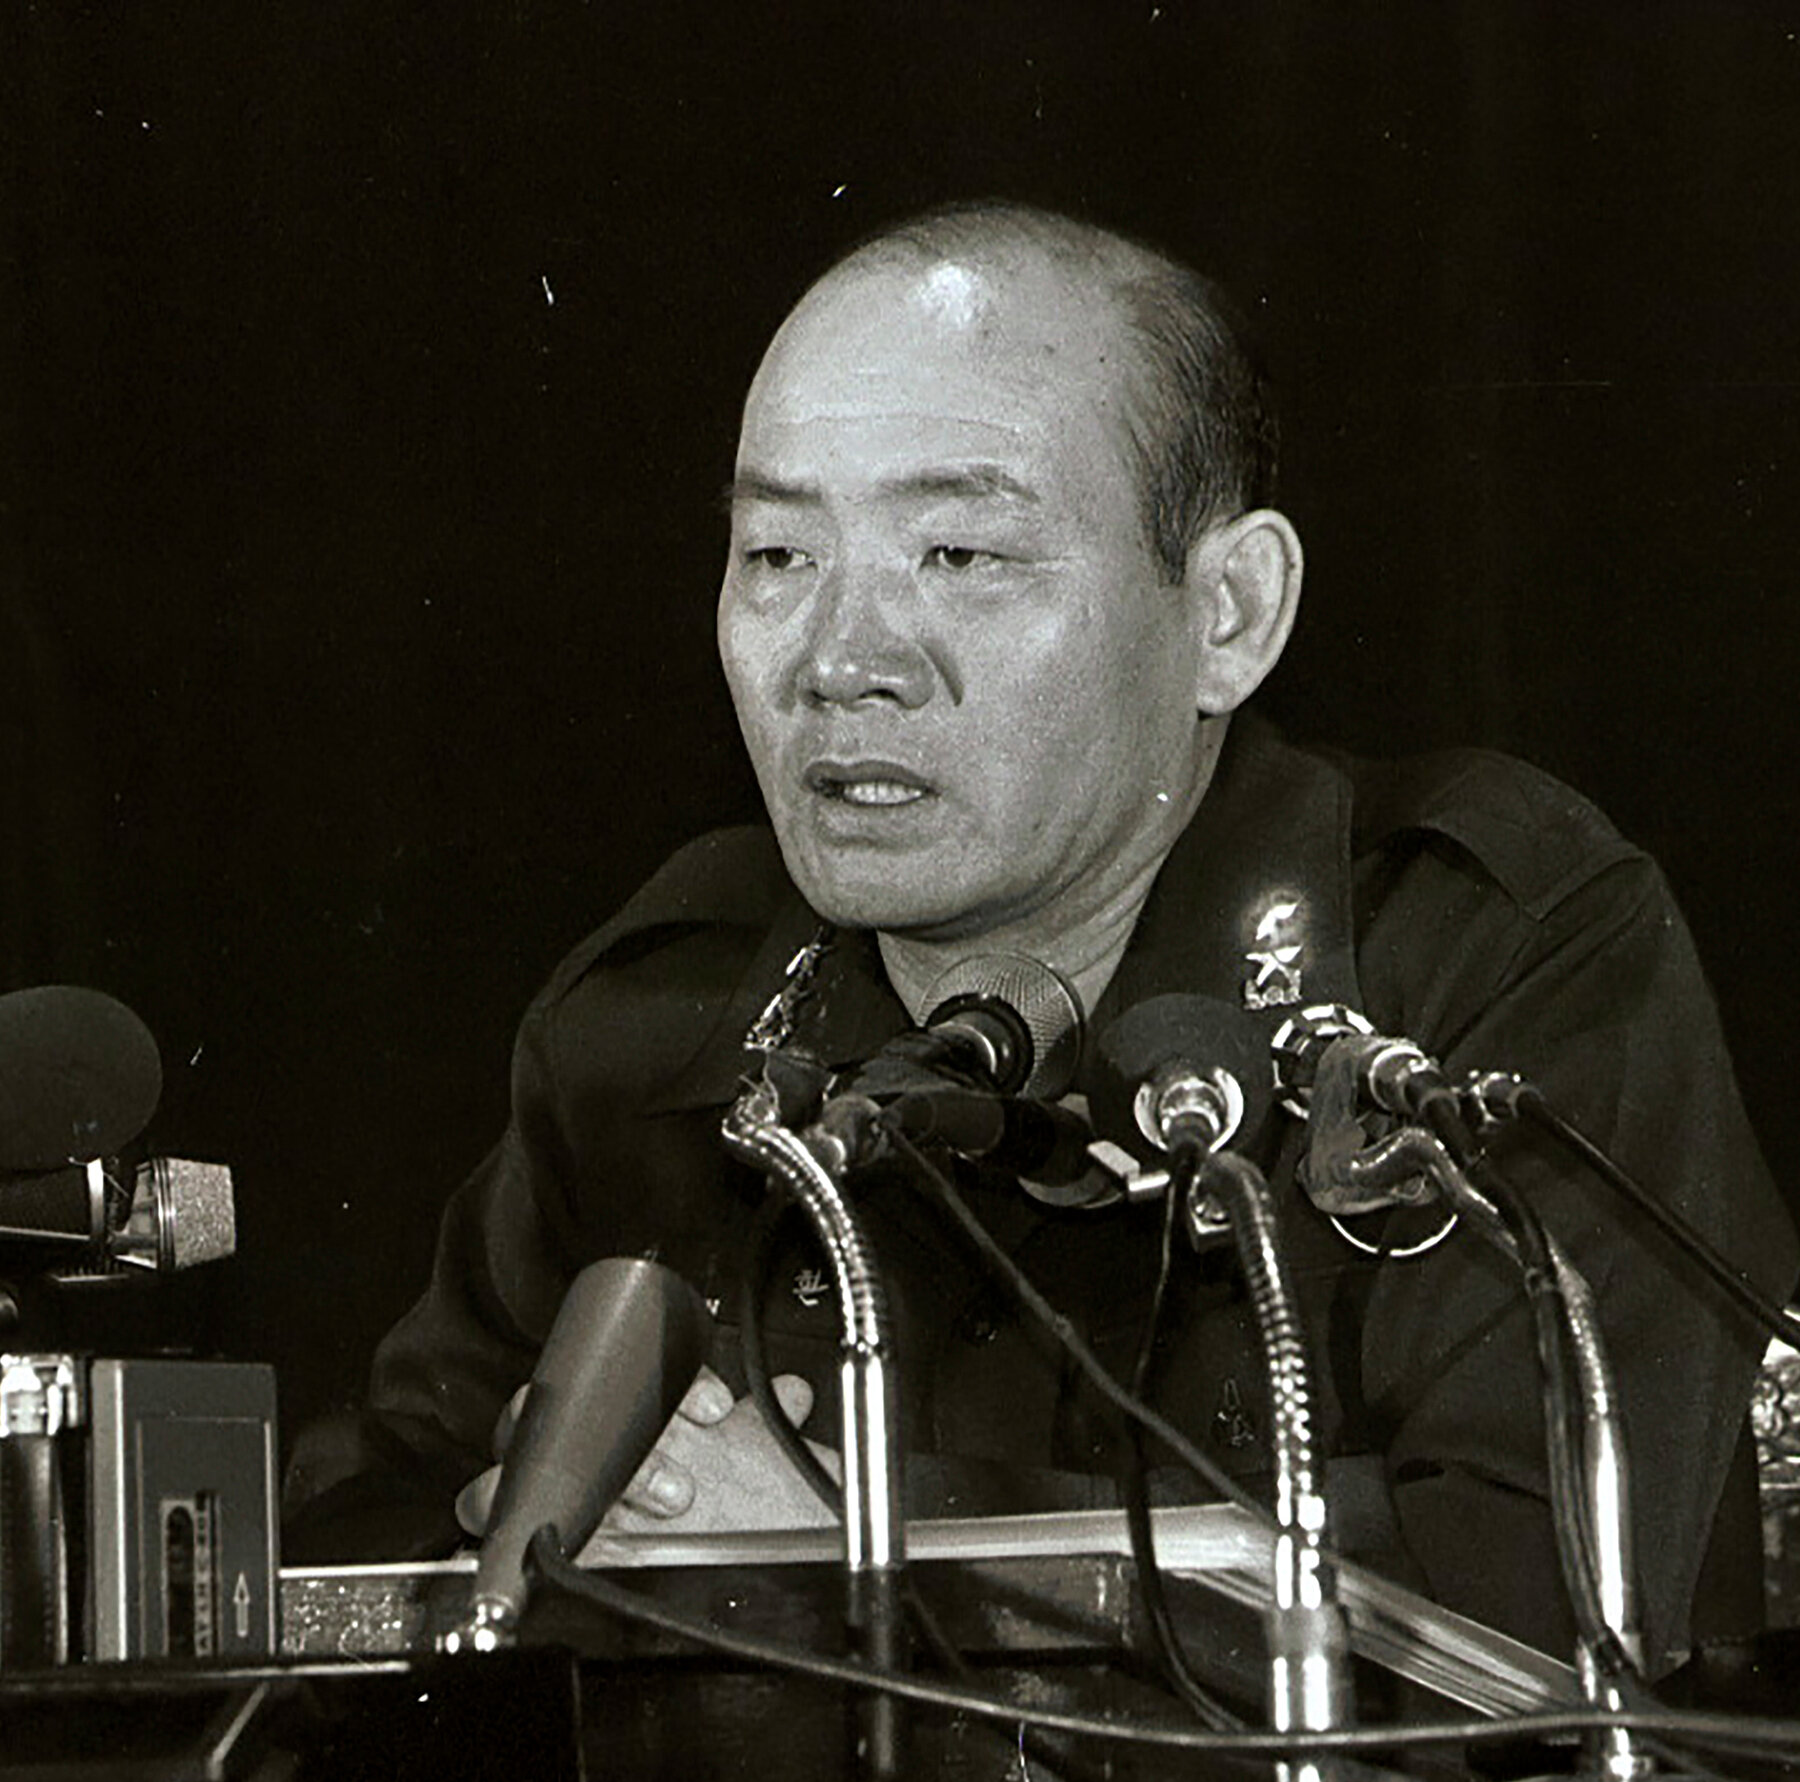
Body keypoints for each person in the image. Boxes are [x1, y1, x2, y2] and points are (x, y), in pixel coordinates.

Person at [284, 201, 1796, 1679]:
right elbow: (372, 1530)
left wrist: (857, 1554)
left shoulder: (1476, 954)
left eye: (961, 557)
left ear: (1230, 612)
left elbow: (1546, 1598)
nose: (843, 660)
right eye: (776, 558)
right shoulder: (659, 1016)